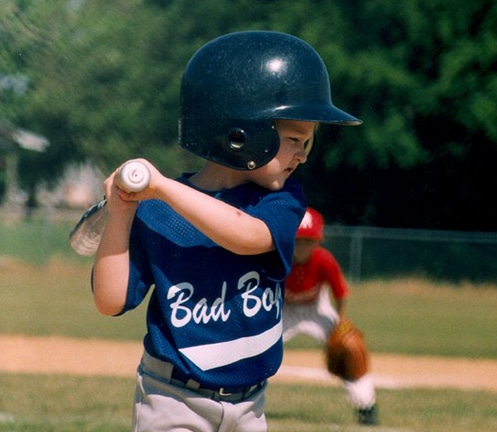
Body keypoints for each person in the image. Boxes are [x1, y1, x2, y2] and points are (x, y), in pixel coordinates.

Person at [91, 31, 361, 432]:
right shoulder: (156, 211)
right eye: (293, 140)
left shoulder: (280, 202)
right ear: (240, 135)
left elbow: (246, 237)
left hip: (250, 406)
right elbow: (110, 301)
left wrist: (164, 188)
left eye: (308, 142)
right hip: (171, 399)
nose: (303, 154)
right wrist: (121, 213)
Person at [282, 207, 379, 425]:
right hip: (284, 310)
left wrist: (341, 322)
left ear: (318, 241)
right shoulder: (279, 258)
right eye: (299, 240)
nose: (303, 246)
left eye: (309, 240)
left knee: (349, 350)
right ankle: (237, 397)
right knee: (258, 347)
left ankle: (366, 405)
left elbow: (341, 293)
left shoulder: (323, 260)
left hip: (317, 308)